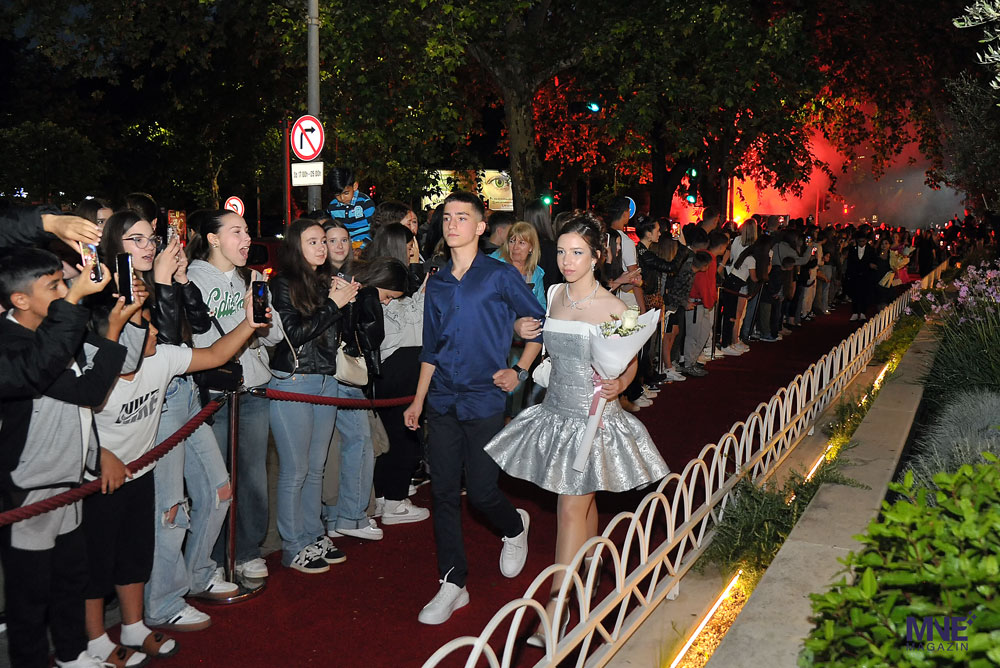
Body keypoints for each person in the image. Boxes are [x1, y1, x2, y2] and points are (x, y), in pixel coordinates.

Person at [483, 212, 668, 646]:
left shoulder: (616, 307)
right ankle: (586, 577)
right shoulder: (553, 294)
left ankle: (556, 607)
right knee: (582, 505)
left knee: (569, 507)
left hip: (594, 418)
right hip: (555, 412)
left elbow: (630, 360)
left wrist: (620, 384)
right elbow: (543, 341)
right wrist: (521, 329)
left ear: (597, 256)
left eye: (578, 253)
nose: (567, 261)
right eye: (563, 252)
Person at [85, 292, 272, 666]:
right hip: (97, 482)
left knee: (135, 556)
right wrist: (99, 454)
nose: (156, 330)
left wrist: (250, 324)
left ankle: (134, 627)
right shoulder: (93, 374)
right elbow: (71, 420)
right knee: (95, 564)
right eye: (145, 326)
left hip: (141, 471)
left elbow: (215, 355)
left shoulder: (161, 358)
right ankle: (94, 641)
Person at [403, 191, 544, 625]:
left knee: (481, 492)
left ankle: (514, 526)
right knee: (444, 492)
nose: (452, 224)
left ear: (481, 227)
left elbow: (538, 326)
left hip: (485, 397)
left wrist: (519, 370)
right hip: (442, 398)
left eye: (462, 217)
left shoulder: (501, 276)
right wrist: (418, 399)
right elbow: (431, 347)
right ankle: (453, 582)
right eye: (447, 217)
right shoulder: (437, 281)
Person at [99, 208, 234, 634]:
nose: (149, 246)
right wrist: (160, 283)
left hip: (185, 389)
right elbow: (146, 350)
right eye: (136, 240)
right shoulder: (108, 290)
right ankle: (163, 602)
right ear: (114, 245)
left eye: (151, 239)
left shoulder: (158, 278)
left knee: (219, 490)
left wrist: (179, 281)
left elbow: (199, 326)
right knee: (169, 509)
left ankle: (198, 574)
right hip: (152, 400)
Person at [0, 248, 128, 668]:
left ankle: (72, 655)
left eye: (63, 283)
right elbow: (74, 384)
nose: (65, 290)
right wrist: (76, 304)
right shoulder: (12, 343)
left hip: (69, 482)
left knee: (70, 579)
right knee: (29, 598)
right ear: (20, 299)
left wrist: (97, 453)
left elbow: (88, 396)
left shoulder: (58, 330)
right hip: (29, 489)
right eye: (53, 286)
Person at [186, 210, 285, 584]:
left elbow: (275, 337)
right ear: (213, 239)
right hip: (212, 395)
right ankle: (211, 558)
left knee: (253, 477)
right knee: (215, 483)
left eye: (246, 232)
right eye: (236, 232)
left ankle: (247, 550)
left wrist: (261, 315)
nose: (246, 239)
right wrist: (243, 324)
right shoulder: (191, 280)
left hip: (253, 389)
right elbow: (198, 341)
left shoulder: (252, 279)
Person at [269, 219, 359, 573]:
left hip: (326, 380)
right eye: (313, 241)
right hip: (293, 380)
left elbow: (337, 335)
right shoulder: (283, 283)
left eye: (323, 241)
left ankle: (312, 535)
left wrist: (346, 302)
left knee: (316, 468)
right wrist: (334, 304)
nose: (322, 247)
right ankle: (293, 545)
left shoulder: (325, 282)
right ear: (296, 246)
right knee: (296, 470)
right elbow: (294, 333)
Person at [489, 221, 546, 307]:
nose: (515, 247)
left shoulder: (536, 273)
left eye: (521, 243)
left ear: (531, 248)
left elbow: (541, 306)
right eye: (512, 241)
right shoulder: (494, 264)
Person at [326, 167, 375, 251]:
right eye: (337, 195)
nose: (342, 198)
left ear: (355, 186)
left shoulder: (365, 203)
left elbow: (374, 229)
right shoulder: (332, 207)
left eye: (346, 193)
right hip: (345, 247)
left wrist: (362, 246)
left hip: (367, 246)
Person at [844, 232, 878, 321]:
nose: (861, 243)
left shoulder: (871, 250)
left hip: (866, 275)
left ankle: (863, 312)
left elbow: (873, 262)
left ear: (866, 241)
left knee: (864, 294)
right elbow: (849, 263)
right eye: (860, 241)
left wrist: (871, 267)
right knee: (855, 294)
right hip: (855, 275)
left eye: (863, 241)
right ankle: (855, 312)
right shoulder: (852, 249)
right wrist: (849, 275)